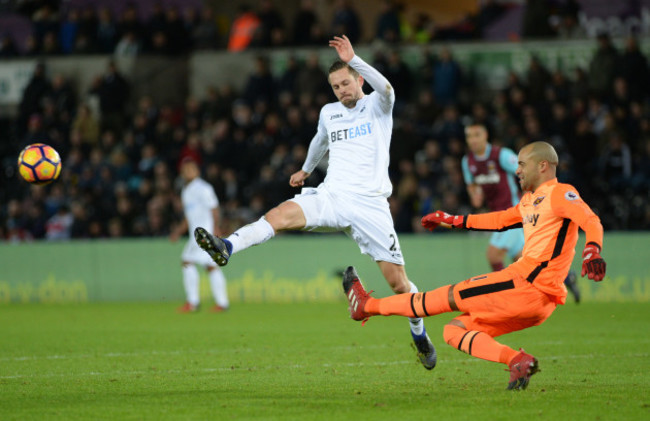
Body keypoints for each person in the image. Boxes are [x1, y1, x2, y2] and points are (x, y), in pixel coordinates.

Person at [195, 35, 437, 369]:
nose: (341, 91)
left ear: (358, 79)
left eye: (346, 83)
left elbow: (389, 88)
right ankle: (227, 247)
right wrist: (306, 169)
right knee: (279, 214)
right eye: (335, 86)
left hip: (370, 205)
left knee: (398, 284)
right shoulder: (329, 113)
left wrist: (355, 58)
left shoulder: (378, 106)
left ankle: (419, 335)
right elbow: (319, 140)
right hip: (332, 196)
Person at [342, 141, 606, 389]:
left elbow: (590, 220)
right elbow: (500, 220)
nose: (517, 170)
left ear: (543, 166)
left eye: (523, 164)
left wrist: (592, 249)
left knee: (442, 298)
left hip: (526, 283)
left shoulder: (560, 192)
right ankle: (517, 361)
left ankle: (365, 307)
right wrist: (452, 219)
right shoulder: (529, 201)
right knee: (454, 331)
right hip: (538, 304)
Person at [462, 123, 581, 302]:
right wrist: (474, 195)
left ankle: (503, 295)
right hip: (499, 215)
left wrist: (531, 195)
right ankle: (566, 277)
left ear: (485, 136)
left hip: (515, 212)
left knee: (493, 254)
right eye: (469, 136)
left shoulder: (501, 155)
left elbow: (528, 170)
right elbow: (471, 184)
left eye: (477, 135)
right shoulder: (468, 162)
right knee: (526, 260)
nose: (473, 140)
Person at [170, 158, 229, 313]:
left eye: (191, 169)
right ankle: (220, 303)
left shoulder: (204, 188)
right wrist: (178, 231)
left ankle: (193, 302)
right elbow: (189, 217)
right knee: (209, 266)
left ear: (197, 171)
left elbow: (214, 208)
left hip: (204, 233)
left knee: (188, 262)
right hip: (195, 235)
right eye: (185, 170)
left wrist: (216, 227)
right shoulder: (186, 191)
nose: (188, 172)